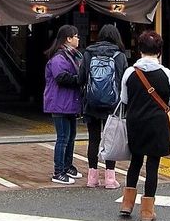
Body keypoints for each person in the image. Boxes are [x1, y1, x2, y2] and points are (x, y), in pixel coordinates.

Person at [118, 29, 170, 221]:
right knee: (153, 165)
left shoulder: (130, 72)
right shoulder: (166, 73)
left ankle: (127, 205)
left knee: (135, 161)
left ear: (140, 49)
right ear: (159, 51)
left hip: (135, 122)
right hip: (157, 124)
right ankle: (146, 211)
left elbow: (124, 99)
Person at [80, 24, 129, 189]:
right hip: (112, 105)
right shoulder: (119, 55)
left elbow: (81, 78)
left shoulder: (88, 53)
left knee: (93, 140)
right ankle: (109, 179)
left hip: (91, 103)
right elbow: (124, 80)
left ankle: (92, 179)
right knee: (111, 140)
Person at [44, 25, 84, 185]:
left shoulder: (72, 56)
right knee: (63, 138)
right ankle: (58, 171)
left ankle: (67, 167)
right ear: (68, 38)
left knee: (71, 136)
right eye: (76, 36)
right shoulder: (59, 57)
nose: (78, 38)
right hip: (60, 103)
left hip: (69, 103)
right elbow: (61, 77)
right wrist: (79, 79)